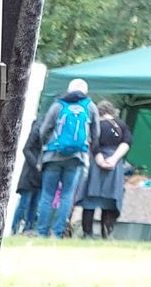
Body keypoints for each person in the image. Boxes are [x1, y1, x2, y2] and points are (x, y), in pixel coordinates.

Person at [34, 76, 97, 236]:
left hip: (53, 156)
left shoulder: (58, 105)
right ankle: (58, 232)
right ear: (86, 91)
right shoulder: (90, 106)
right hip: (76, 158)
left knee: (47, 195)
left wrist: (49, 144)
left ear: (69, 89)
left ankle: (42, 232)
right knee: (67, 195)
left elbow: (43, 130)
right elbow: (96, 134)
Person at [76, 98, 131, 237]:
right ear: (112, 111)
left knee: (89, 201)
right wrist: (114, 159)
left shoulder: (96, 125)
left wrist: (99, 159)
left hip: (96, 163)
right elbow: (126, 143)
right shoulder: (122, 125)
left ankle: (87, 234)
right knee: (110, 201)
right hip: (115, 164)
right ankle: (106, 234)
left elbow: (92, 143)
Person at [11, 114, 45, 233]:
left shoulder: (41, 126)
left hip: (36, 174)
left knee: (32, 205)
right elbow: (26, 149)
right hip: (30, 174)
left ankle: (26, 229)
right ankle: (16, 229)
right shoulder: (39, 126)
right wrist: (36, 165)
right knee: (25, 204)